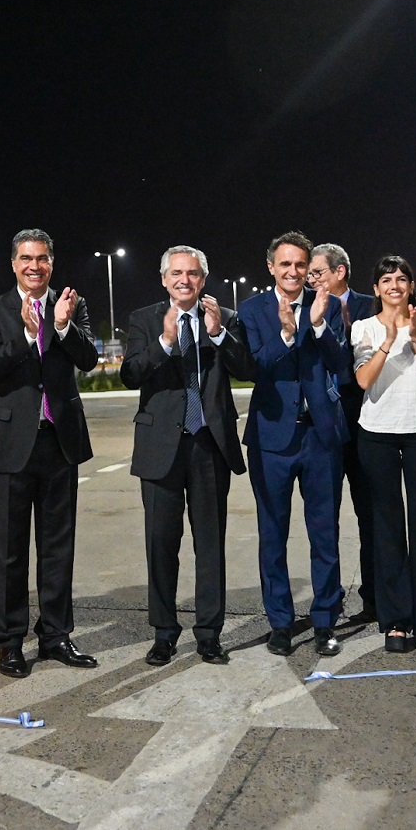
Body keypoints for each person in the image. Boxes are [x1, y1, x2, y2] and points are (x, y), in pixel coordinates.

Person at [0, 229, 101, 678]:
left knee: (57, 546)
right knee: (8, 551)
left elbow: (88, 359)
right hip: (11, 447)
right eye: (26, 258)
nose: (35, 265)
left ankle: (55, 636)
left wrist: (61, 326)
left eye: (43, 258)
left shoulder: (71, 304)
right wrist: (28, 336)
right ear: (13, 263)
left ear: (52, 263)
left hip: (59, 442)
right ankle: (10, 642)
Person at [122, 246, 253, 665]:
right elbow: (130, 374)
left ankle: (209, 633)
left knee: (209, 543)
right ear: (164, 279)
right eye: (176, 273)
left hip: (209, 443)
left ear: (203, 279)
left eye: (193, 273)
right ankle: (164, 632)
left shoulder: (226, 318)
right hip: (161, 446)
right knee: (161, 543)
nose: (185, 280)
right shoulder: (144, 320)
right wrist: (164, 340)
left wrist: (217, 334)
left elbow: (248, 368)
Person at [238, 231, 352, 656]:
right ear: (271, 267)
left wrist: (319, 323)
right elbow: (253, 367)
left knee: (325, 532)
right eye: (284, 264)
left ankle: (325, 620)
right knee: (273, 533)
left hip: (321, 435)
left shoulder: (329, 306)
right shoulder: (251, 311)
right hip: (272, 438)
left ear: (309, 268)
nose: (292, 272)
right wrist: (286, 335)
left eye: (300, 265)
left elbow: (341, 365)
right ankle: (281, 623)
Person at [350, 255, 416, 652]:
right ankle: (395, 621)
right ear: (375, 289)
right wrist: (388, 340)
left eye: (401, 279)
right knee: (387, 528)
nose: (394, 285)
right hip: (377, 434)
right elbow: (363, 380)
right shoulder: (363, 327)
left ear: (411, 286)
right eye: (386, 279)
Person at [309, 243, 378, 623]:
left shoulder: (371, 304)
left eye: (317, 272)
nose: (310, 279)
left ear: (340, 272)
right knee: (326, 515)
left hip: (366, 417)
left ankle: (375, 597)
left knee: (370, 512)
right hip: (326, 422)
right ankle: (329, 598)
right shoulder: (307, 308)